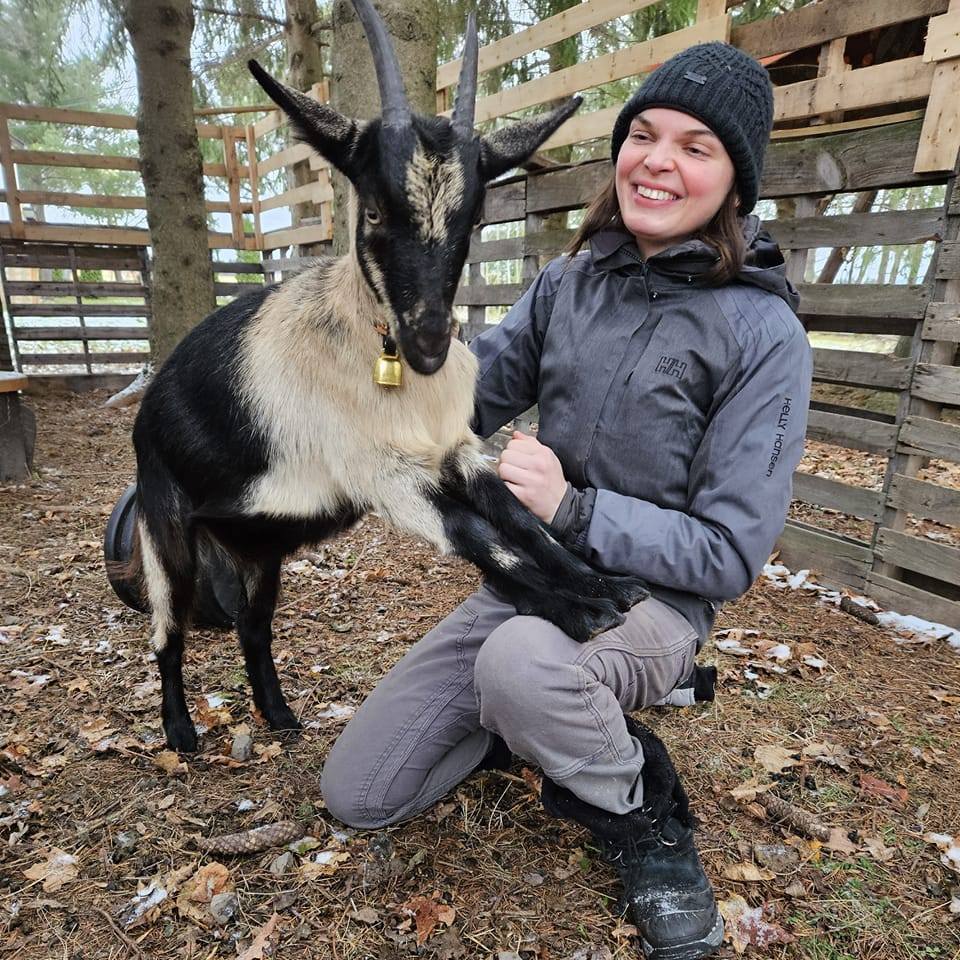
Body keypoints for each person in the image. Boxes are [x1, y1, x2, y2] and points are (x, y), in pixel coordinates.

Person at [321, 41, 812, 960]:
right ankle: (533, 714)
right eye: (643, 135)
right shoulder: (569, 283)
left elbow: (729, 554)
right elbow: (464, 399)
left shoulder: (764, 334)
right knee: (361, 793)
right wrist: (395, 334)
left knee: (518, 663)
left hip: (650, 604)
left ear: (735, 182)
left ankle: (644, 812)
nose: (657, 161)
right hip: (536, 581)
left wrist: (573, 509)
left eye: (695, 147)